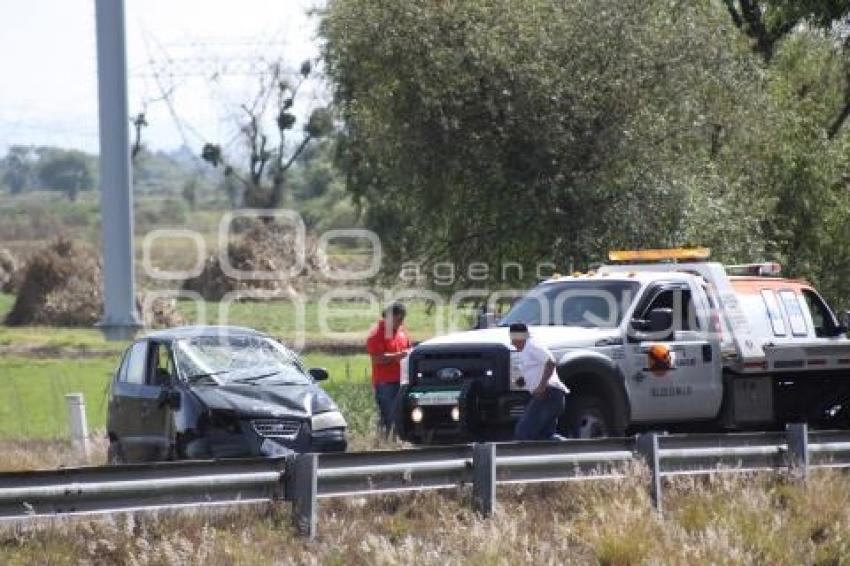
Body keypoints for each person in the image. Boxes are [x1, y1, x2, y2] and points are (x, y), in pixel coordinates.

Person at [509, 322, 569, 441]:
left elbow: (551, 362)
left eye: (513, 338)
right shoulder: (526, 350)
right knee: (544, 436)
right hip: (550, 396)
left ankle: (572, 451)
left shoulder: (532, 346)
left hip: (549, 394)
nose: (512, 343)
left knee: (524, 432)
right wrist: (519, 381)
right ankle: (569, 452)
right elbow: (533, 373)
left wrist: (541, 386)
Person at [366, 303, 412, 436]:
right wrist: (399, 356)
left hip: (403, 381)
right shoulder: (376, 334)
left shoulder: (402, 332)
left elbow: (409, 349)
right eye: (398, 319)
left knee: (402, 416)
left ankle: (400, 442)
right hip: (386, 384)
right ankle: (388, 446)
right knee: (390, 418)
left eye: (402, 319)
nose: (401, 322)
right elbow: (377, 359)